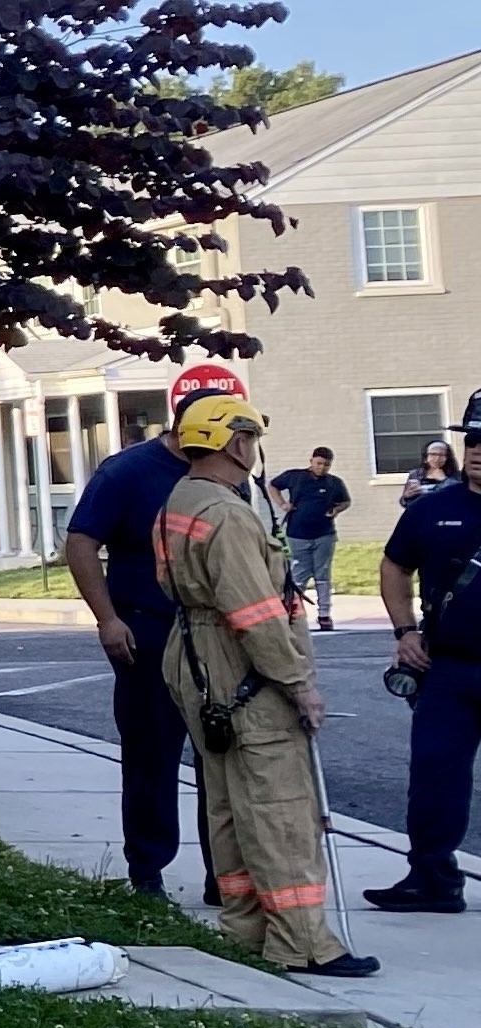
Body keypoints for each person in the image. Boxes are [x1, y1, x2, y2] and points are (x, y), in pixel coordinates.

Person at [157, 394, 379, 977]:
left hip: (195, 658)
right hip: (242, 670)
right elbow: (254, 613)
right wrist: (299, 683)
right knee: (279, 805)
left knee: (229, 799)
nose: (254, 450)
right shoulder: (228, 514)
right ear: (236, 443)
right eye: (251, 440)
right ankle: (304, 943)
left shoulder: (180, 500)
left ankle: (246, 927)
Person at [66, 388, 222, 905]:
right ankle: (149, 872)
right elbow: (81, 541)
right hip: (148, 632)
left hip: (216, 638)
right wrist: (107, 618)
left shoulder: (227, 478)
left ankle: (224, 875)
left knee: (220, 758)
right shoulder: (128, 472)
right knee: (152, 756)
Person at [365, 390, 481, 914]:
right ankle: (432, 878)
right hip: (448, 667)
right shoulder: (435, 508)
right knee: (434, 777)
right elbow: (394, 565)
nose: (477, 450)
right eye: (472, 440)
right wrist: (404, 630)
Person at [271, 448, 352, 631]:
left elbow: (346, 501)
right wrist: (283, 504)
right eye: (319, 463)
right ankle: (293, 612)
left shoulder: (334, 483)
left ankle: (324, 614)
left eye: (326, 465)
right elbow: (273, 485)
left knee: (322, 574)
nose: (322, 468)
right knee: (299, 574)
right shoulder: (295, 477)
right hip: (297, 533)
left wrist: (336, 510)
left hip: (324, 534)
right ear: (311, 461)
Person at [401, 440, 458, 508]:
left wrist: (444, 480)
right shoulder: (416, 474)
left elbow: (457, 499)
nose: (437, 459)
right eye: (433, 454)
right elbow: (405, 503)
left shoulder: (456, 476)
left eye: (442, 455)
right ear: (426, 457)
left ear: (447, 458)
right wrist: (406, 497)